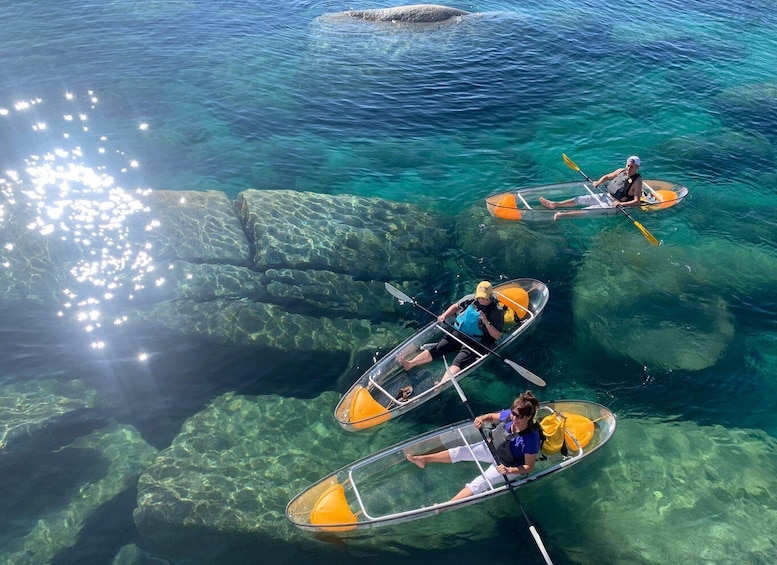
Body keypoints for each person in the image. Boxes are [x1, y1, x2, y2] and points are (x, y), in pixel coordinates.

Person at [406, 390, 541, 501]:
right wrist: (480, 419)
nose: (515, 418)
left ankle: (446, 506)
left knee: (480, 482)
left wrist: (509, 471)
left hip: (507, 465)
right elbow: (490, 417)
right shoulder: (508, 415)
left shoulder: (530, 439)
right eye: (514, 413)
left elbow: (529, 467)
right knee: (460, 451)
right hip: (492, 448)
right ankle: (423, 460)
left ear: (528, 417)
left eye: (519, 417)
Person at [398, 280, 504, 385]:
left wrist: (486, 322)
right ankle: (410, 364)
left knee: (458, 361)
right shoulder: (470, 299)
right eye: (479, 296)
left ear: (490, 296)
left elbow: (497, 335)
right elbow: (455, 307)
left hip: (475, 342)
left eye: (484, 298)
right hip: (459, 332)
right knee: (438, 349)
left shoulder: (496, 311)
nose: (481, 299)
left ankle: (441, 384)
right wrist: (444, 316)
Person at [539, 156, 644, 220]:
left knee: (588, 211)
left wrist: (621, 204)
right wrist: (598, 182)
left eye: (632, 167)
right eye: (628, 165)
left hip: (615, 203)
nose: (629, 168)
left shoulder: (637, 181)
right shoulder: (621, 171)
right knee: (579, 199)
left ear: (637, 167)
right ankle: (555, 204)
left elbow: (637, 201)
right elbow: (607, 176)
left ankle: (561, 215)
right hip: (606, 195)